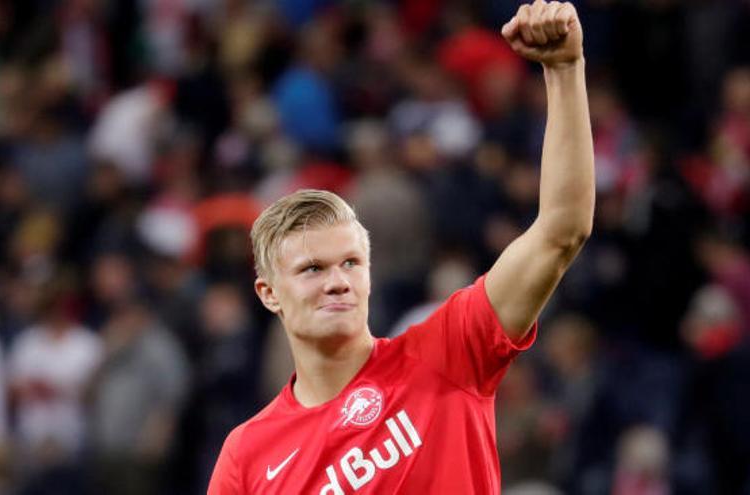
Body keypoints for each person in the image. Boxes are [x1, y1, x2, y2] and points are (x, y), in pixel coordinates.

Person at [207, 1, 594, 493]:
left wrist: (564, 71)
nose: (338, 281)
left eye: (351, 262)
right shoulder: (247, 456)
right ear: (268, 293)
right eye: (312, 269)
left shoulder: (448, 351)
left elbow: (562, 230)